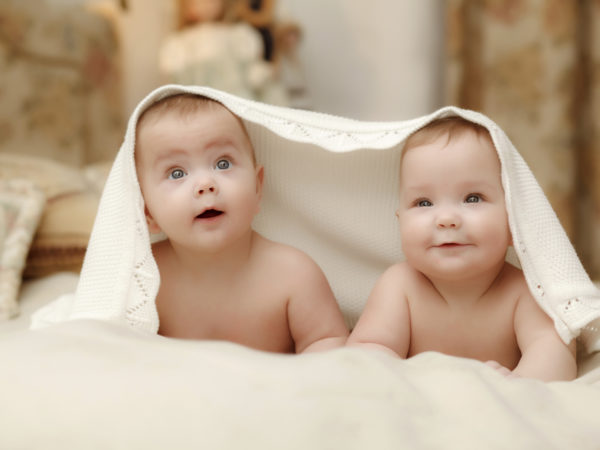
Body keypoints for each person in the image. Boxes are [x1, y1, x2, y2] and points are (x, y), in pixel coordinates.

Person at [346, 116, 577, 381]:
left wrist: (517, 385)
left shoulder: (523, 291)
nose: (446, 219)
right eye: (423, 203)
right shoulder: (400, 286)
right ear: (400, 220)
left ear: (515, 220)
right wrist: (409, 377)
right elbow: (366, 352)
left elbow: (555, 353)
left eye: (472, 198)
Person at [135, 93, 349, 353]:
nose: (205, 185)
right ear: (148, 213)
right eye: (177, 173)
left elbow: (329, 345)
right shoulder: (143, 277)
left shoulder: (293, 275)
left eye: (222, 163)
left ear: (258, 187)